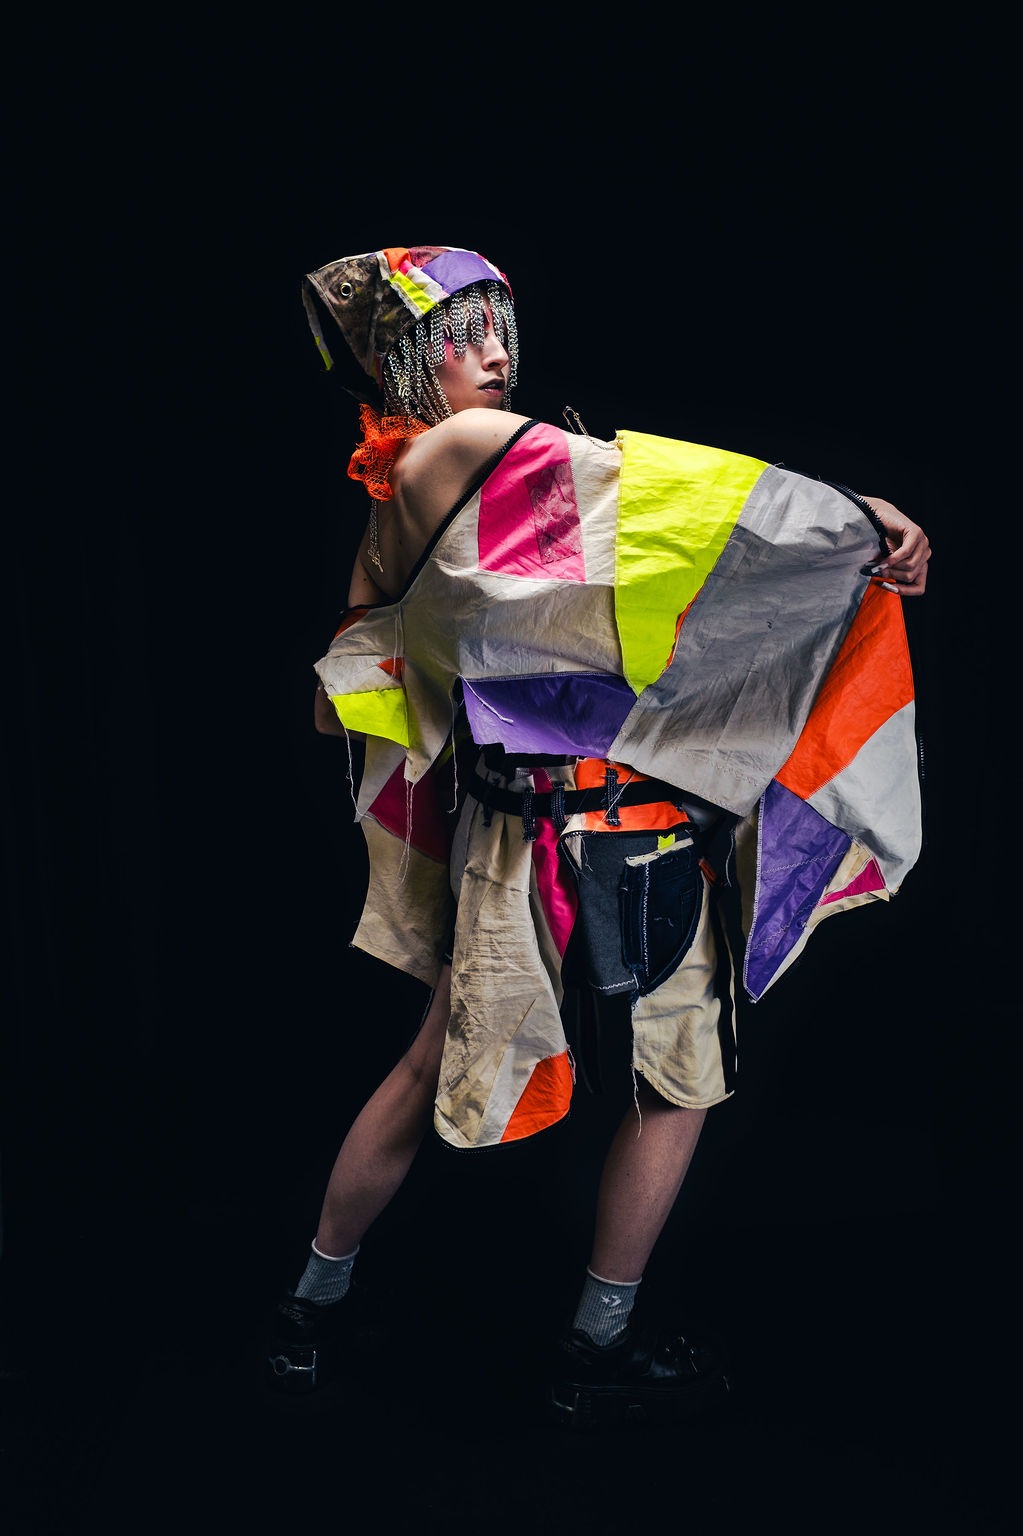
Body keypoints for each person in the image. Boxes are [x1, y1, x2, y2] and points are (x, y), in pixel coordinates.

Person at [266, 244, 931, 1426]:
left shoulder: (396, 499)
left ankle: (313, 1311)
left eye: (499, 328)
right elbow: (683, 503)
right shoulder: (467, 447)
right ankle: (595, 1341)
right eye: (459, 337)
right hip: (590, 823)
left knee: (516, 1070)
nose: (493, 354)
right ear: (408, 364)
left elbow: (357, 686)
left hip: (547, 822)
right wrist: (854, 518)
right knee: (660, 1079)